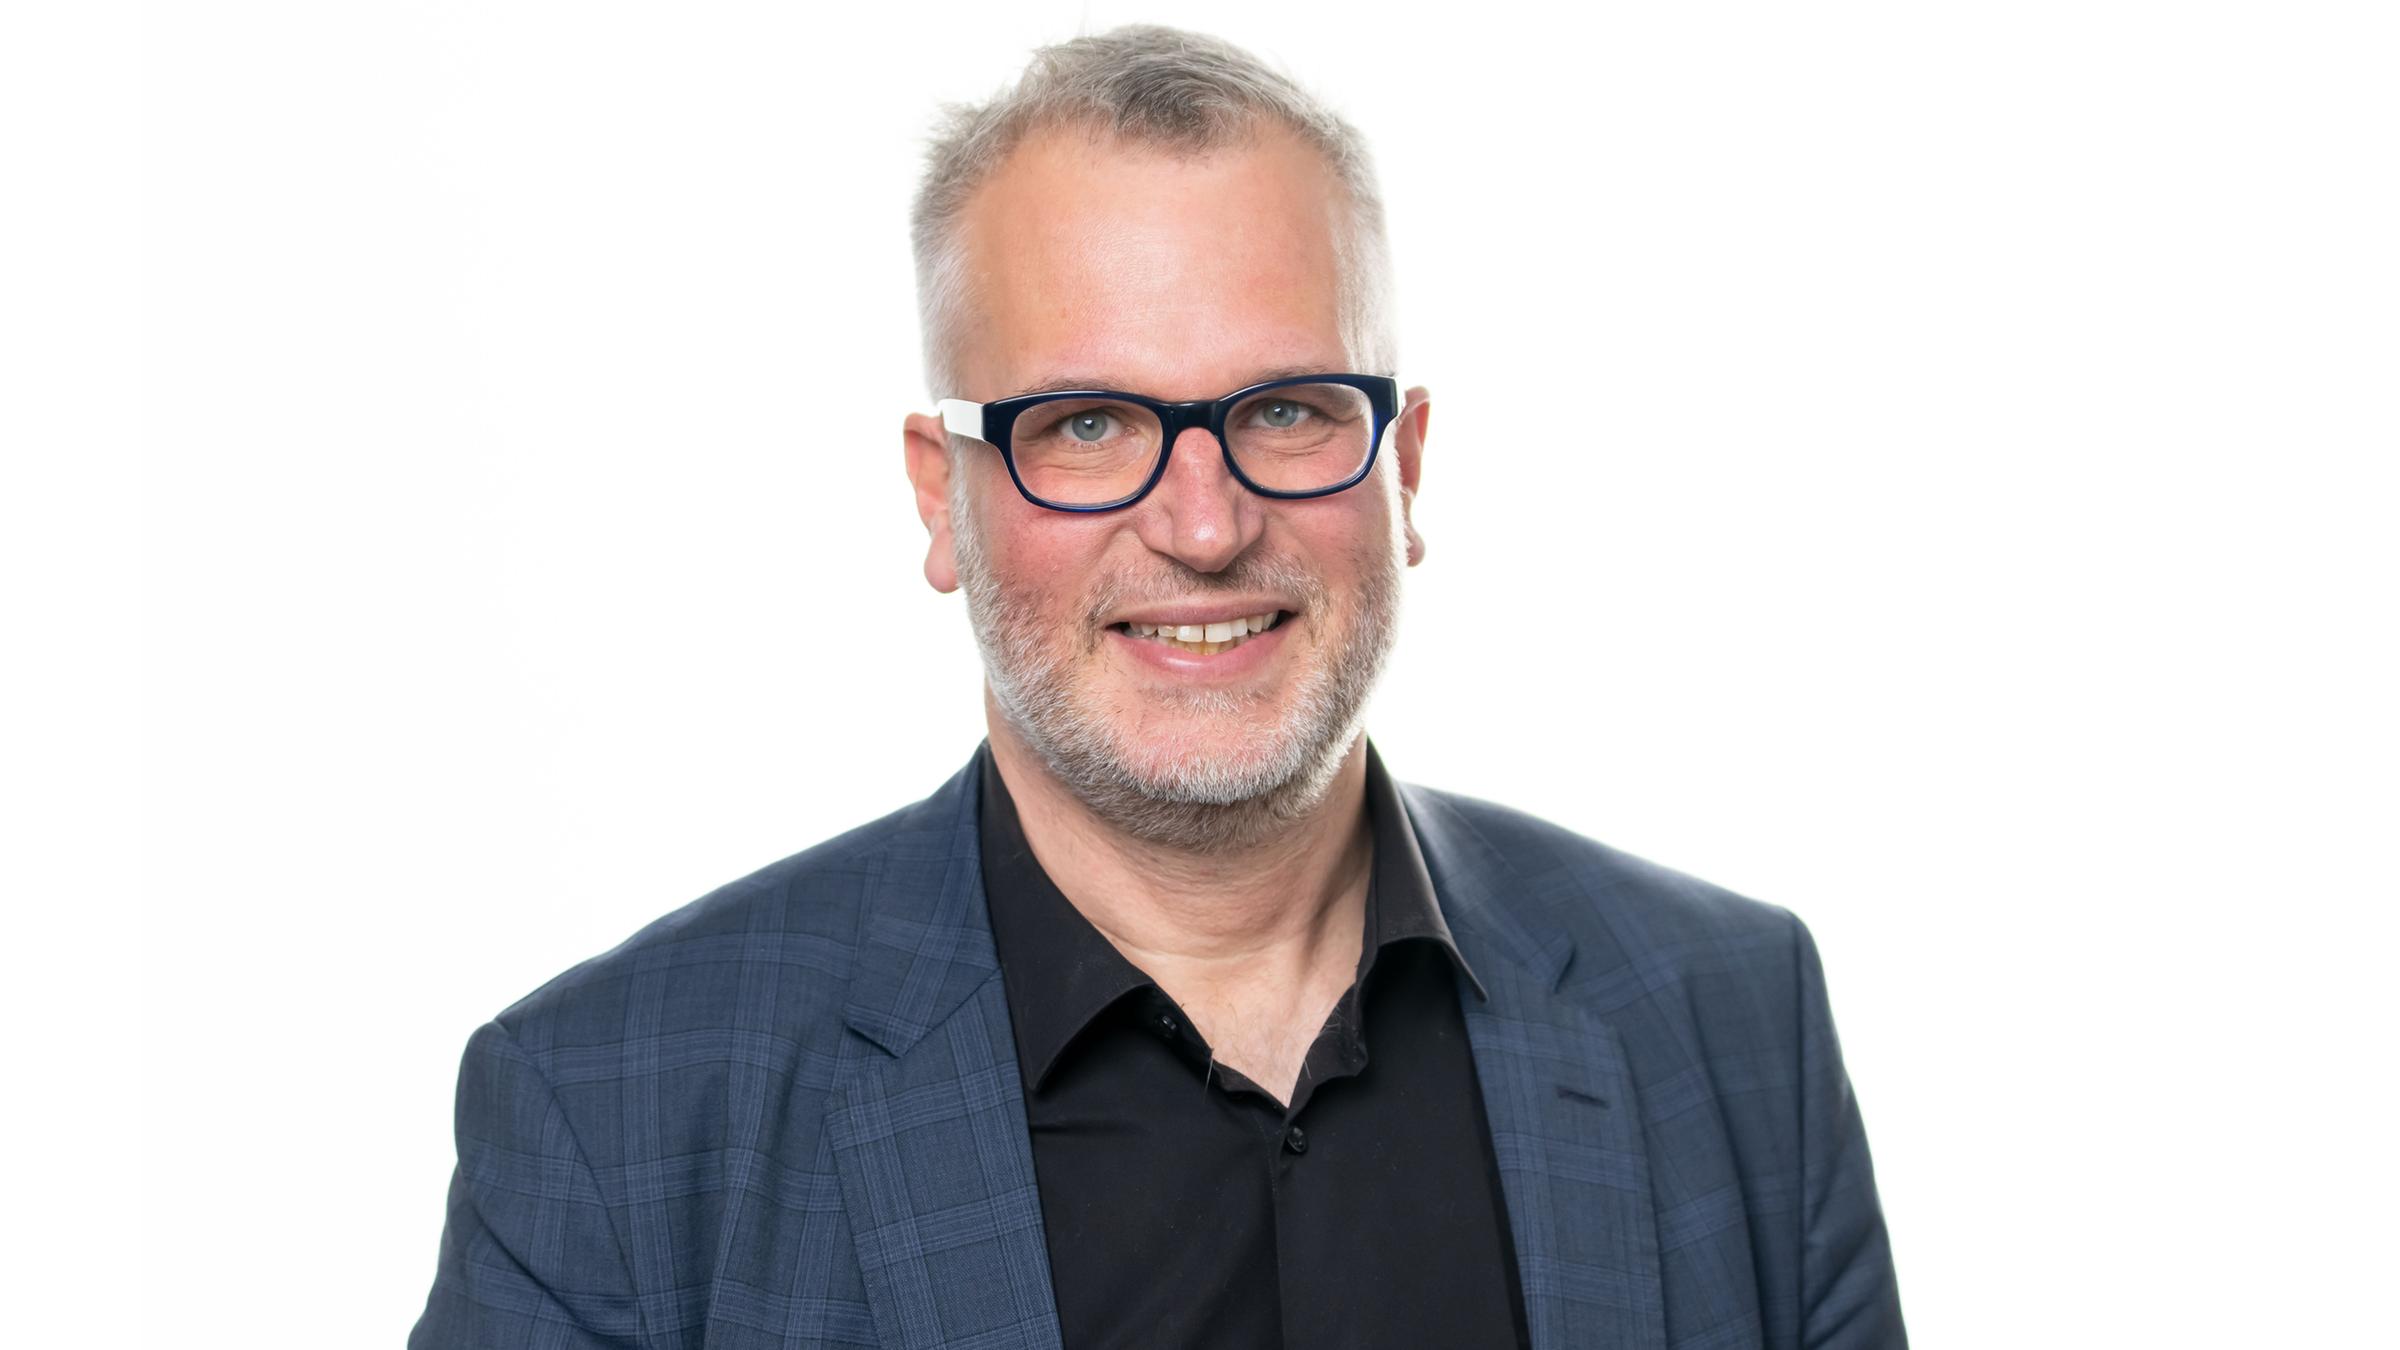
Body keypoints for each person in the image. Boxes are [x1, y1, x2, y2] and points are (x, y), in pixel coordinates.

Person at [411, 24, 1906, 1350]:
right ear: (942, 498)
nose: (1204, 525)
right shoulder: (610, 1125)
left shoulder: (1732, 1020)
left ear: (1405, 466)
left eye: (1288, 409)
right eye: (1086, 426)